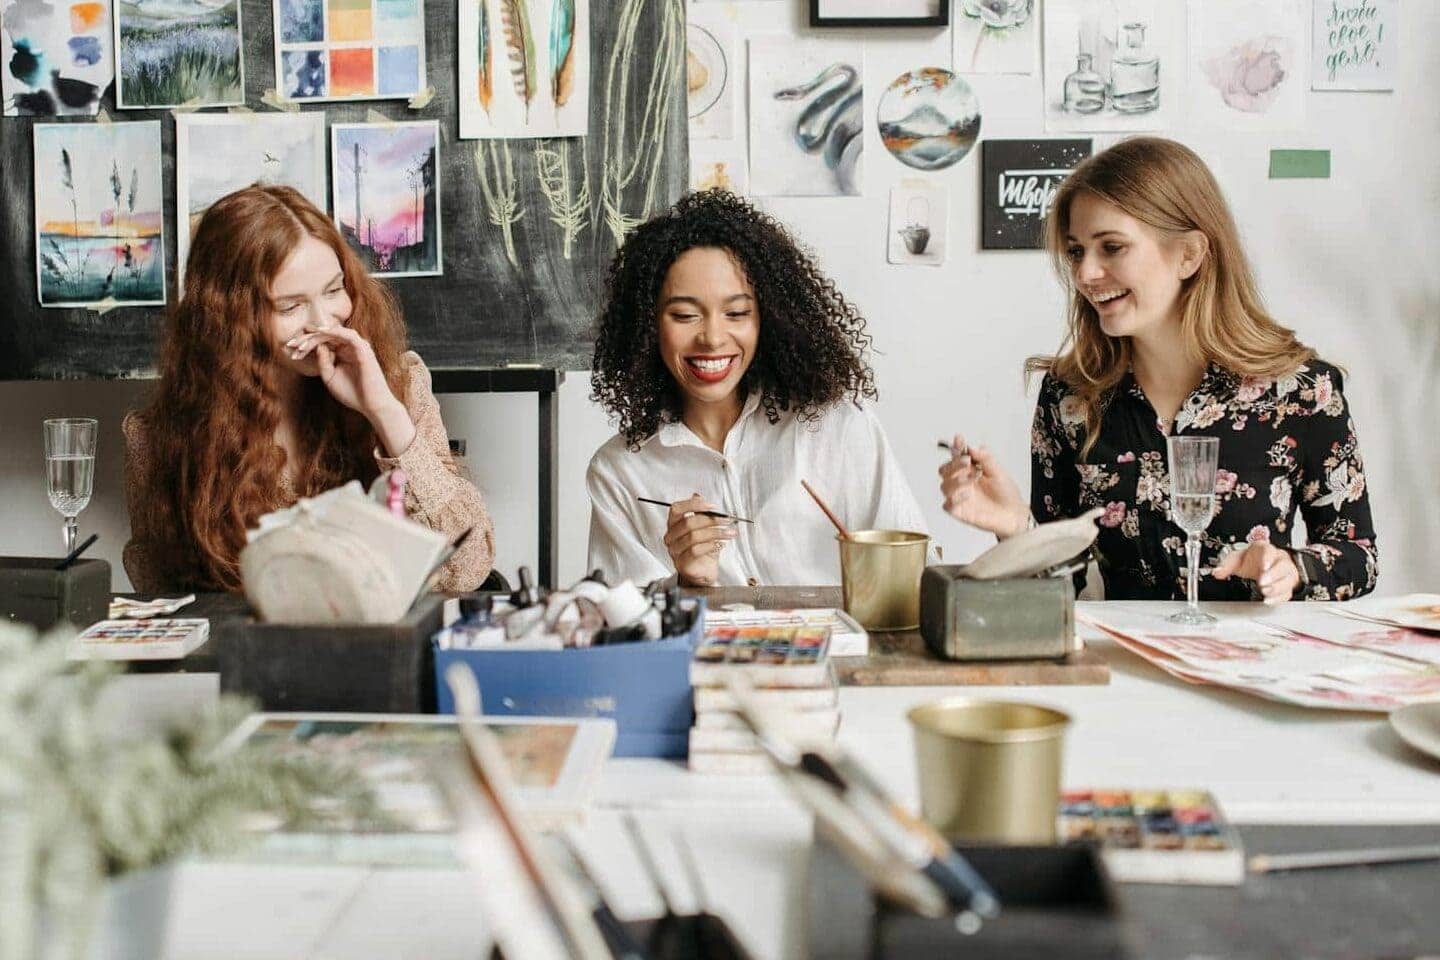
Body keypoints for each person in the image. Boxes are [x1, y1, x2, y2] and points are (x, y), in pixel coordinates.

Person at [939, 137, 1377, 602]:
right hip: (1123, 666)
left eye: (1111, 247)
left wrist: (1291, 567)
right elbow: (1061, 592)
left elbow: (1358, 556)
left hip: (1251, 664)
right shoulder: (1069, 397)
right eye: (1076, 252)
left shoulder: (1302, 390)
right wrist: (1017, 530)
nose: (1085, 273)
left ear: (1189, 255)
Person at [123, 184, 495, 593]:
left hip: (376, 648)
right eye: (290, 306)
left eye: (335, 290)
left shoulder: (401, 385)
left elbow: (468, 568)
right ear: (229, 320)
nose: (324, 322)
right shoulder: (159, 436)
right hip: (249, 652)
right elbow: (166, 593)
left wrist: (384, 413)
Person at [586, 189, 926, 587]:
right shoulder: (619, 470)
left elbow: (915, 575)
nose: (712, 337)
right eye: (684, 315)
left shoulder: (839, 427)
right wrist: (685, 584)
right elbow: (618, 622)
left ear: (769, 318)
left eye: (737, 313)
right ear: (647, 327)